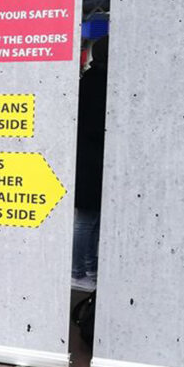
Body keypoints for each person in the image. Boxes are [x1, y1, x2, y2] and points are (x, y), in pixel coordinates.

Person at [72, 36, 109, 292]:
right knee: (87, 220)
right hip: (92, 161)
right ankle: (78, 269)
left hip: (88, 160)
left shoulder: (90, 82)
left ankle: (88, 268)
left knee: (91, 219)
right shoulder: (100, 84)